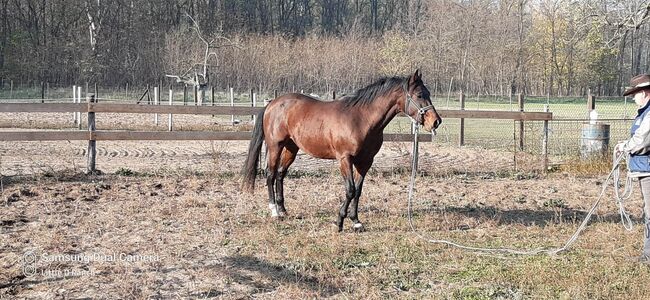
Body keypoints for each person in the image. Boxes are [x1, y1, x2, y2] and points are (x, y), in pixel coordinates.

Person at [616, 74, 650, 260]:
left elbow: (643, 140)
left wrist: (626, 146)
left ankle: (648, 256)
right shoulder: (645, 112)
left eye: (635, 94)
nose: (633, 98)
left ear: (644, 93)